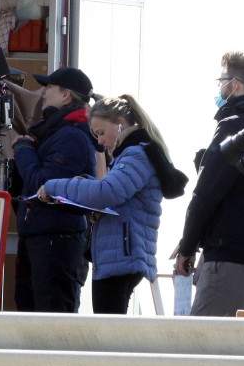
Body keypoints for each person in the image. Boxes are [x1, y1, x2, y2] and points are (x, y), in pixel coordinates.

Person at [38, 94, 188, 313]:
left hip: (121, 255)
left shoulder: (135, 155)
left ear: (119, 125)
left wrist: (55, 186)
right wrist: (86, 183)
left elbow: (107, 193)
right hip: (123, 254)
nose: (99, 141)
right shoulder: (136, 153)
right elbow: (116, 192)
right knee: (112, 330)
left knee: (107, 334)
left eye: (100, 133)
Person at [171, 50, 244, 316]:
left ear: (234, 84)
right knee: (236, 346)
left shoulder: (232, 128)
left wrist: (188, 245)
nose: (219, 87)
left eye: (221, 80)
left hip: (228, 253)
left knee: (202, 343)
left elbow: (205, 195)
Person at [9, 66, 98, 312]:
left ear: (66, 95)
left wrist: (24, 151)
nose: (43, 92)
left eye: (49, 87)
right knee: (33, 316)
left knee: (52, 321)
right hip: (45, 238)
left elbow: (44, 185)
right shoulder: (59, 132)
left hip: (55, 243)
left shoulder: (71, 137)